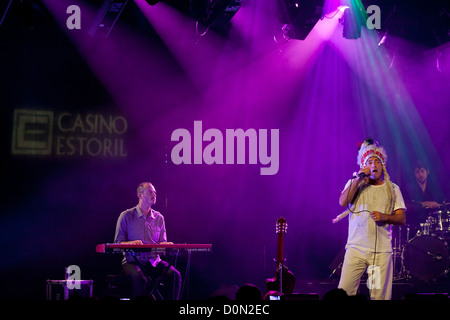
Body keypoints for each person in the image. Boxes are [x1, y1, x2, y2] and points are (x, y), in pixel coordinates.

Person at [333, 138, 406, 300]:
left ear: (383, 166)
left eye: (377, 162)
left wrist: (385, 217)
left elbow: (401, 218)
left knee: (377, 296)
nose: (373, 165)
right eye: (369, 162)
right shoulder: (355, 183)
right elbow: (342, 201)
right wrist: (359, 178)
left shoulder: (393, 189)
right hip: (355, 250)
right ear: (363, 166)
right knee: (343, 293)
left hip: (379, 254)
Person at [114, 182, 181, 299]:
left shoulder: (159, 218)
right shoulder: (126, 216)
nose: (154, 194)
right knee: (139, 277)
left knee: (175, 275)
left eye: (155, 192)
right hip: (132, 262)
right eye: (150, 191)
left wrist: (166, 245)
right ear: (140, 195)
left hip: (154, 262)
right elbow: (117, 244)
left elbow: (162, 244)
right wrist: (131, 243)